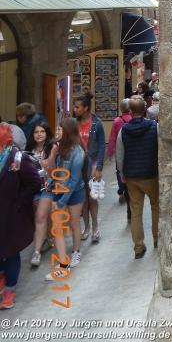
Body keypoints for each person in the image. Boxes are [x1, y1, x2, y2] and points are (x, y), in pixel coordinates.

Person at [0, 122, 42, 308]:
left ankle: (9, 291)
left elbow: (34, 182)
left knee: (11, 251)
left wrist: (19, 201)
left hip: (13, 215)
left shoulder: (18, 158)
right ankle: (2, 279)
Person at [116, 96, 159, 259]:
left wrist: (122, 174)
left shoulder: (123, 130)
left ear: (131, 111)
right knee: (156, 206)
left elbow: (120, 156)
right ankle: (157, 238)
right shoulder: (154, 127)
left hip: (132, 176)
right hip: (151, 174)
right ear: (145, 109)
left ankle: (138, 247)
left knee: (136, 211)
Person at [44, 118, 87, 280]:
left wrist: (61, 201)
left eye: (60, 130)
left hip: (74, 193)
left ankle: (74, 253)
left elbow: (74, 181)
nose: (56, 133)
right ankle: (63, 263)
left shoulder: (78, 153)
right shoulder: (60, 148)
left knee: (74, 223)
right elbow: (56, 171)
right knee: (59, 227)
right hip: (60, 192)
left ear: (67, 132)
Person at [72, 93, 105, 244]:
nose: (74, 109)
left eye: (77, 107)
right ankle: (86, 227)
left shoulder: (97, 123)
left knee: (92, 198)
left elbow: (101, 147)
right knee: (82, 199)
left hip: (91, 164)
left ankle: (96, 227)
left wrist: (98, 167)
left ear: (85, 108)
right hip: (77, 165)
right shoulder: (73, 123)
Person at [25, 121, 55, 267]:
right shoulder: (28, 149)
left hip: (48, 187)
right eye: (36, 132)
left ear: (47, 133)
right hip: (33, 188)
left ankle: (36, 252)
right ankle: (47, 238)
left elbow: (52, 167)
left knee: (40, 217)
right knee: (39, 218)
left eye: (42, 131)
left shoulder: (52, 147)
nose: (39, 134)